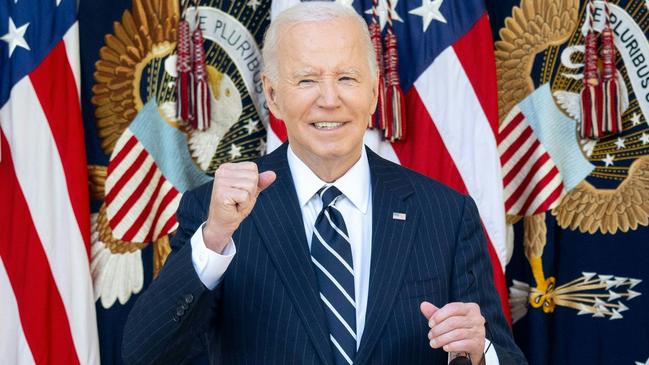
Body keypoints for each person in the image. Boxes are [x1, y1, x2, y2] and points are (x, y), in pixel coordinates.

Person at [122, 2, 526, 365]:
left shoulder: (447, 215)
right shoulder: (215, 212)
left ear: (373, 92)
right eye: (307, 80)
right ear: (273, 95)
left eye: (347, 78)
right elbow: (143, 353)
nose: (329, 99)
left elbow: (502, 356)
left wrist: (481, 353)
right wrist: (213, 239)